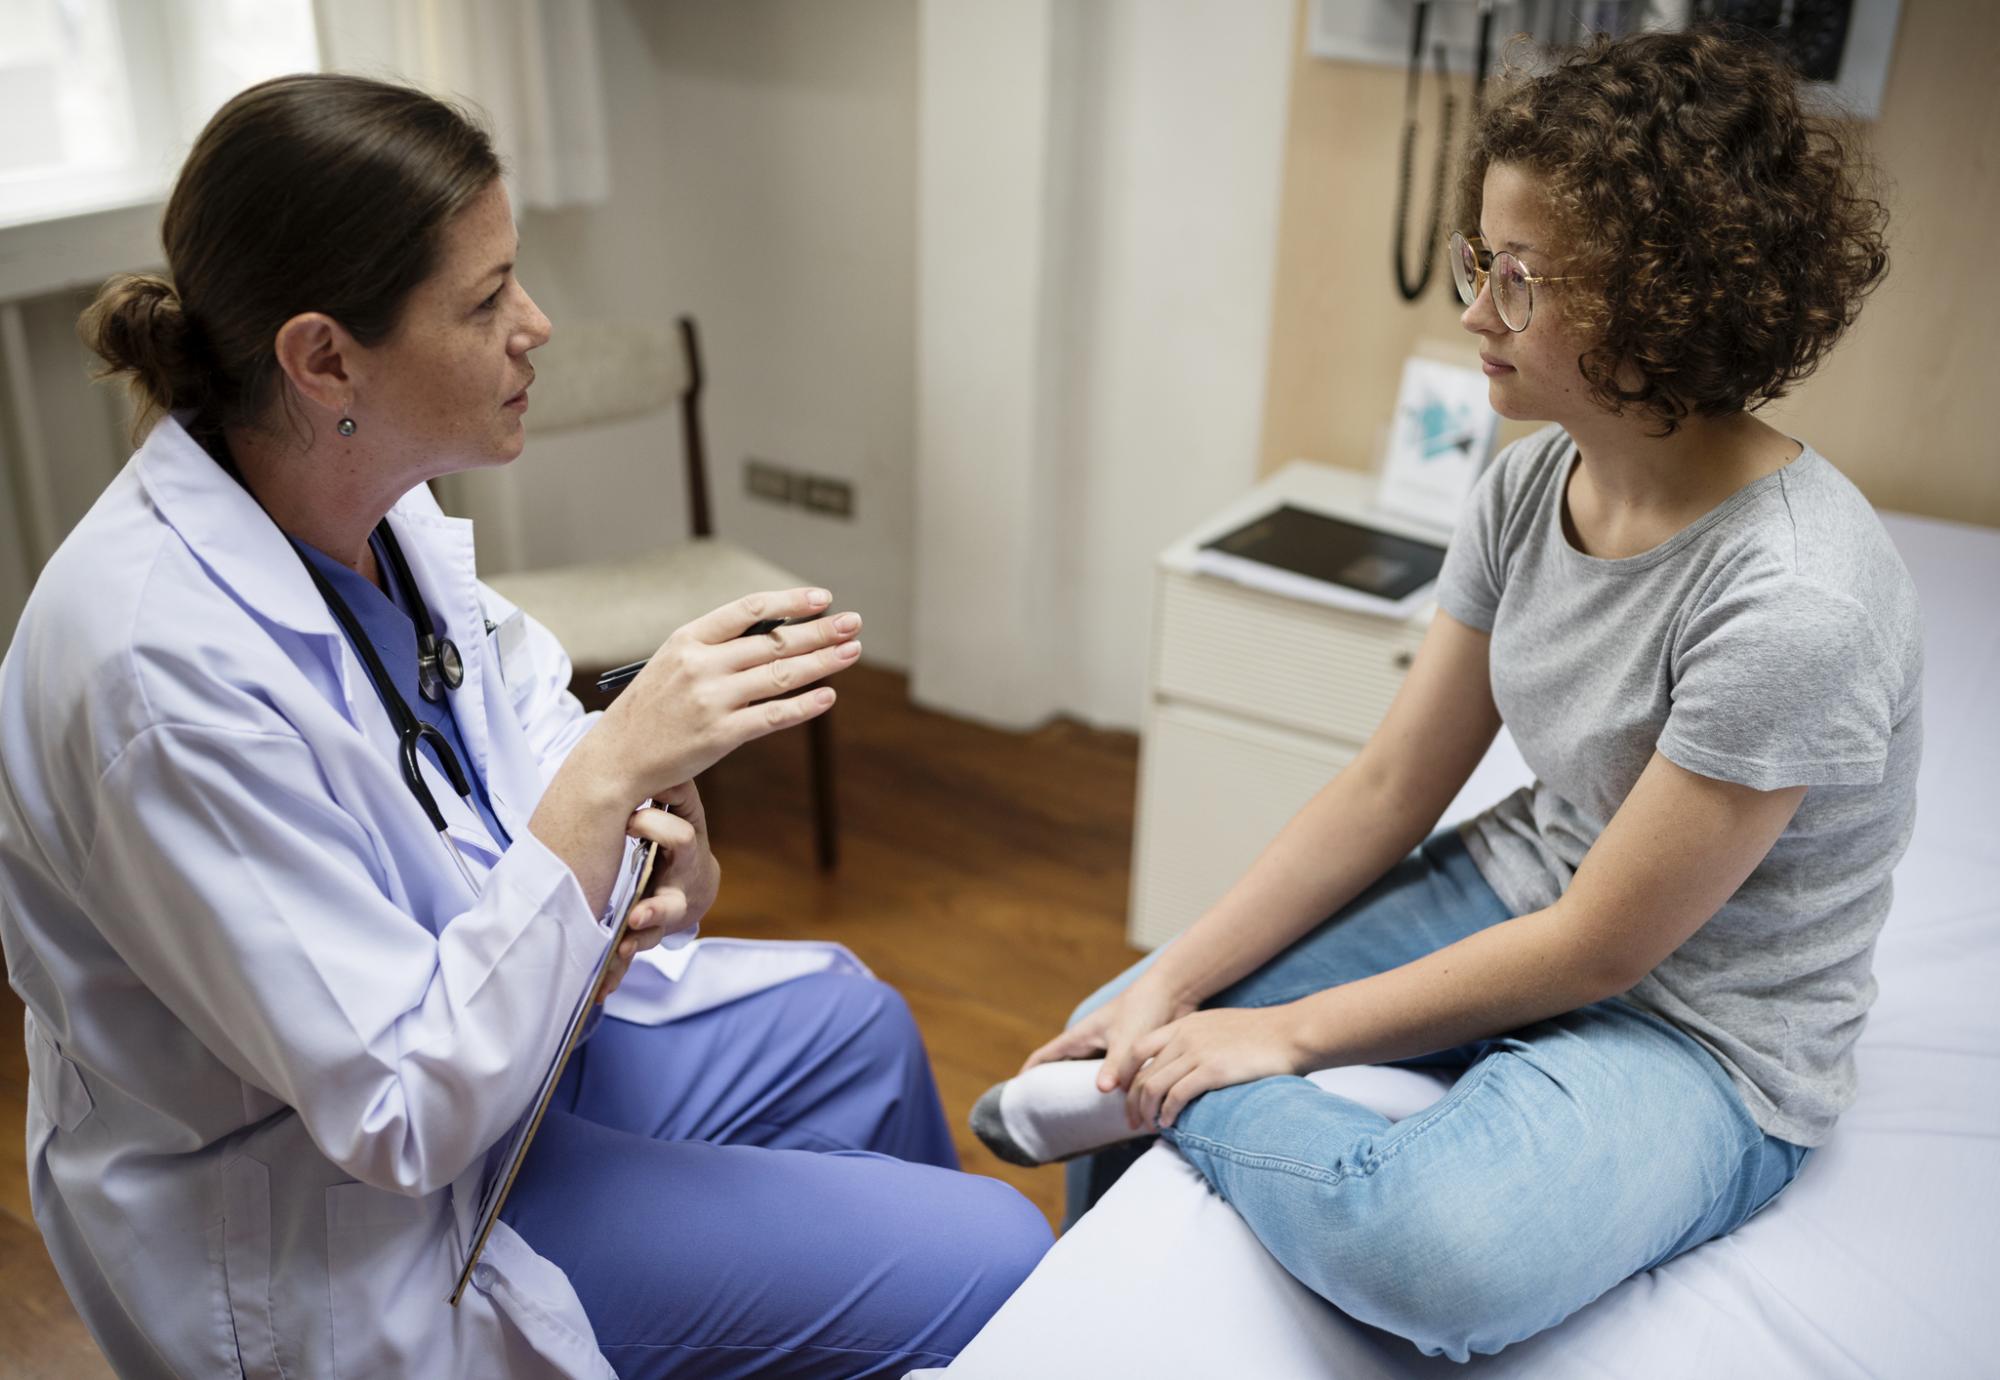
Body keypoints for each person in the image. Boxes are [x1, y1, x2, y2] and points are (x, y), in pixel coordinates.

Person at [0, 75, 1047, 1379]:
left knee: (859, 1026)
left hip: (508, 1075)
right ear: (325, 357)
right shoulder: (155, 678)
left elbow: (520, 722)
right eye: (487, 300)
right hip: (358, 1216)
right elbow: (394, 1110)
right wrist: (614, 775)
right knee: (998, 1253)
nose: (537, 326)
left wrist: (658, 833)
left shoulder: (362, 510)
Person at [976, 26, 1910, 1362]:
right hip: (1535, 887)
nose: (1473, 312)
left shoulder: (1796, 602)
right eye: (1480, 260)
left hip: (1706, 1028)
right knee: (1124, 1021)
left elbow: (1606, 950)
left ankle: (1169, 1103)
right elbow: (1389, 783)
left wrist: (1276, 1038)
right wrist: (1179, 981)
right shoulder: (1529, 487)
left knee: (1433, 1249)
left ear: (1666, 297)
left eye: (1518, 280)